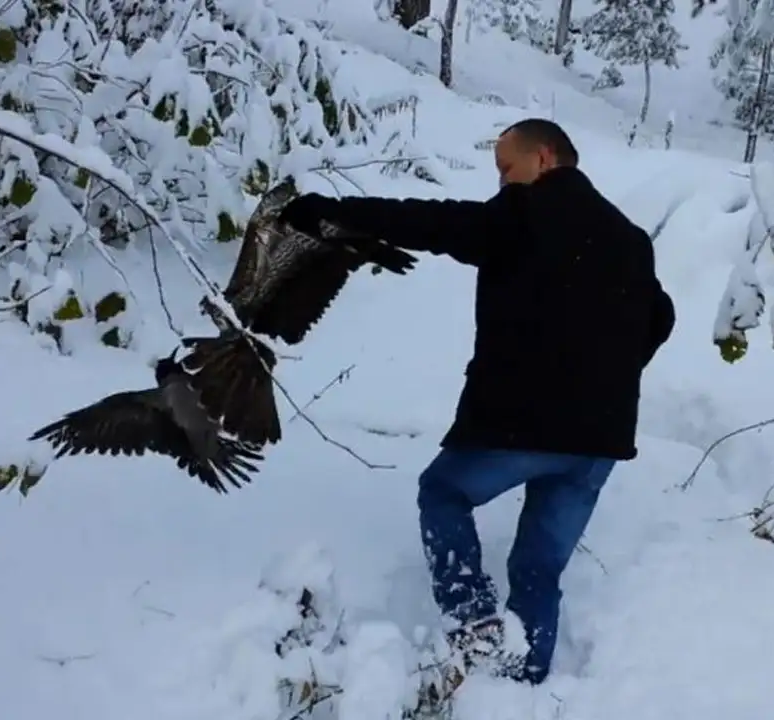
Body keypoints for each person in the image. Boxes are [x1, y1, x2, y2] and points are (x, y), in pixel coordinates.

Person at [276, 118, 675, 685]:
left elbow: (431, 222)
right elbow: (661, 317)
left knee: (444, 492)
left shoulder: (523, 214)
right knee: (539, 567)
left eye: (506, 168)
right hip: (598, 442)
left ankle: (472, 622)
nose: (501, 182)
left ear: (544, 158)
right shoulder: (630, 239)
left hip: (519, 423)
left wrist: (334, 213)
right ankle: (521, 682)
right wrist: (605, 377)